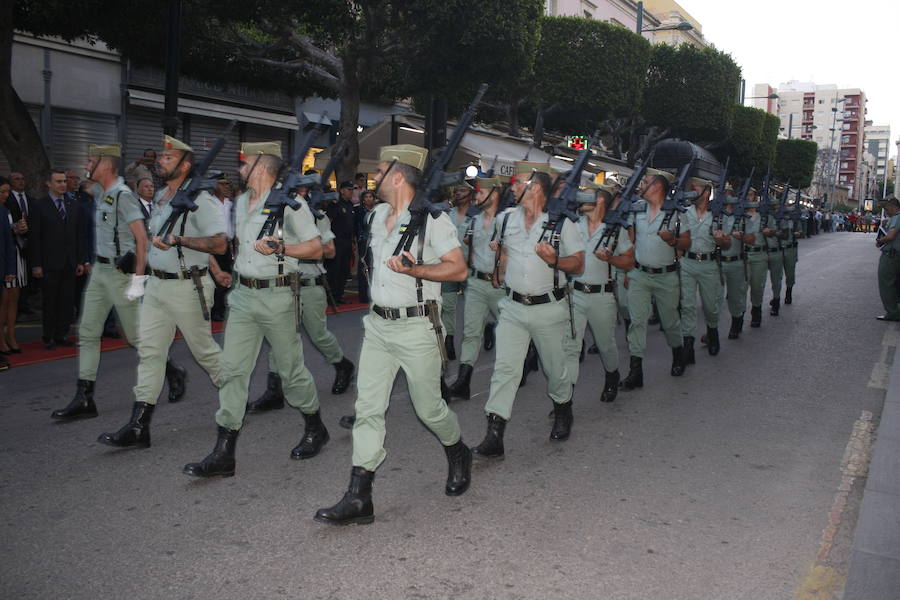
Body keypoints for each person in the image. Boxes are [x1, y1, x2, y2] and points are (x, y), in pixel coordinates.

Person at [315, 144, 471, 526]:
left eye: (381, 170)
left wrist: (416, 271)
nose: (373, 178)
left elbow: (458, 270)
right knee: (368, 408)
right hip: (378, 326)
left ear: (398, 177)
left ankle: (458, 451)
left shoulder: (434, 219)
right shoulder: (377, 215)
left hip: (418, 326)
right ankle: (359, 496)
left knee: (429, 408)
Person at [184, 142, 329, 477]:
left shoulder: (290, 203)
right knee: (233, 370)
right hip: (243, 296)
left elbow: (316, 249)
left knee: (291, 372)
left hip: (278, 296)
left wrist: (282, 249)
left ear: (262, 166)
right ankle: (224, 453)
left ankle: (315, 426)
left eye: (244, 163)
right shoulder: (239, 201)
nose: (239, 169)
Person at [97, 135, 224, 448]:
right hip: (157, 286)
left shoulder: (202, 200)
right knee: (151, 353)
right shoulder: (164, 197)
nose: (160, 162)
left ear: (186, 165)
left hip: (188, 285)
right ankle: (139, 425)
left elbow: (219, 243)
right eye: (162, 158)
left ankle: (235, 395)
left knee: (204, 351)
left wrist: (181, 242)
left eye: (168, 158)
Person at [470, 160, 584, 460]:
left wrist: (555, 260)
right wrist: (501, 265)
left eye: (519, 182)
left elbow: (579, 263)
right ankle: (494, 434)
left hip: (549, 308)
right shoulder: (506, 219)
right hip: (512, 307)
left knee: (554, 368)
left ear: (536, 187)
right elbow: (506, 252)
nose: (513, 187)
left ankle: (563, 408)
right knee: (505, 370)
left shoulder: (563, 223)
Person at [246, 179, 356, 413]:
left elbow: (329, 250)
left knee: (318, 335)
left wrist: (291, 247)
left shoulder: (317, 217)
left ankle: (342, 364)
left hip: (309, 285)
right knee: (279, 338)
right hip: (283, 286)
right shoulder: (275, 215)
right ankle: (275, 390)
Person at [620, 168, 691, 390]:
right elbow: (631, 243)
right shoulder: (637, 211)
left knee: (670, 322)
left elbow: (686, 244)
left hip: (666, 276)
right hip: (640, 274)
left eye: (646, 182)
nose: (641, 186)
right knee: (637, 321)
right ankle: (635, 372)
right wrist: (627, 271)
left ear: (658, 187)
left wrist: (672, 241)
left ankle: (678, 353)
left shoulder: (677, 213)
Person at [567, 184, 634, 403]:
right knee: (571, 346)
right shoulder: (573, 226)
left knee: (605, 345)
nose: (582, 199)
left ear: (601, 201)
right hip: (575, 293)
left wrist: (610, 259)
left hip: (602, 296)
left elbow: (629, 261)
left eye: (588, 196)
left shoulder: (615, 229)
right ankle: (564, 399)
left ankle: (612, 375)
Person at [445, 175, 506, 401]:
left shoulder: (507, 220)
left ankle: (527, 359)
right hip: (476, 283)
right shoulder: (475, 221)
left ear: (494, 194)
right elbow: (470, 251)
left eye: (480, 193)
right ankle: (463, 382)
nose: (476, 196)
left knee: (510, 331)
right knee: (471, 333)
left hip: (502, 286)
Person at [28, 169, 85, 349]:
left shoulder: (73, 204)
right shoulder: (39, 205)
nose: (63, 185)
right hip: (49, 262)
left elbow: (79, 235)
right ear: (49, 184)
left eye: (64, 181)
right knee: (50, 301)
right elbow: (34, 237)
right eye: (59, 181)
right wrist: (36, 264)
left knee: (67, 301)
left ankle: (62, 334)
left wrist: (80, 261)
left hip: (70, 262)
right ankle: (48, 336)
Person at [679, 177, 729, 362]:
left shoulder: (718, 214)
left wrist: (721, 240)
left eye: (696, 189)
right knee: (688, 306)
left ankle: (712, 331)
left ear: (706, 193)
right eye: (692, 189)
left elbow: (727, 243)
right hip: (687, 263)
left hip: (709, 265)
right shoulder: (684, 212)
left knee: (710, 306)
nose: (692, 192)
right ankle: (688, 345)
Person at [441, 184, 473, 361]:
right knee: (448, 305)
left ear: (470, 195)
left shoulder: (477, 216)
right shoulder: (448, 215)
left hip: (471, 267)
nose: (459, 194)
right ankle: (449, 340)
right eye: (457, 191)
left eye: (463, 191)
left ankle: (487, 329)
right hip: (450, 266)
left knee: (475, 307)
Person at [66, 170, 95, 319]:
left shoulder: (92, 204)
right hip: (78, 254)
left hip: (92, 254)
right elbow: (82, 235)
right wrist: (84, 260)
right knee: (79, 289)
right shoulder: (83, 205)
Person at [0, 177, 24, 354]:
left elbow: (9, 237)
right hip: (5, 259)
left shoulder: (7, 208)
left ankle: (11, 336)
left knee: (13, 298)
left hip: (12, 257)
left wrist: (18, 228)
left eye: (7, 191)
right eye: (2, 192)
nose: (6, 195)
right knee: (4, 300)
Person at [324, 181, 355, 304]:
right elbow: (327, 222)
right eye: (349, 189)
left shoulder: (350, 205)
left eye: (352, 189)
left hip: (347, 241)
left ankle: (339, 295)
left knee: (344, 270)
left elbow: (351, 225)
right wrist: (328, 241)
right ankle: (331, 297)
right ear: (341, 190)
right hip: (336, 241)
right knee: (334, 270)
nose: (351, 192)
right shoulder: (335, 205)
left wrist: (353, 242)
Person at [739, 189, 767, 329]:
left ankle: (756, 311)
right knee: (741, 288)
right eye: (745, 195)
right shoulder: (740, 215)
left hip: (759, 255)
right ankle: (738, 319)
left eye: (750, 194)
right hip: (744, 254)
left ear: (755, 197)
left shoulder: (763, 215)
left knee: (757, 286)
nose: (747, 197)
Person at [7, 172, 34, 317]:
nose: (21, 181)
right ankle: (16, 308)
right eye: (17, 179)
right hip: (14, 243)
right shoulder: (6, 200)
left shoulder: (31, 200)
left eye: (23, 178)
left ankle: (25, 304)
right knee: (16, 276)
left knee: (27, 276)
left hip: (29, 242)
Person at [209, 173, 234, 322]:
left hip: (227, 245)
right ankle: (214, 309)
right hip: (213, 244)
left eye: (227, 184)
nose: (226, 187)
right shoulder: (209, 203)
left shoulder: (230, 204)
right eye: (222, 184)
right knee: (214, 279)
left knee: (226, 276)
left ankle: (221, 308)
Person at [875, 197, 900, 321]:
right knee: (895, 283)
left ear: (891, 206)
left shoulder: (897, 217)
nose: (885, 211)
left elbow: (891, 236)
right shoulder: (894, 218)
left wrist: (880, 241)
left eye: (886, 208)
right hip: (895, 253)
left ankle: (893, 312)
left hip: (891, 254)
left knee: (886, 283)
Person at [353, 189, 377, 303]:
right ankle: (363, 295)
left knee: (374, 268)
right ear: (363, 199)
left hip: (376, 241)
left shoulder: (378, 210)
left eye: (370, 197)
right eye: (366, 197)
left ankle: (373, 294)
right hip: (363, 241)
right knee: (364, 267)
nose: (368, 199)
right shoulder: (358, 210)